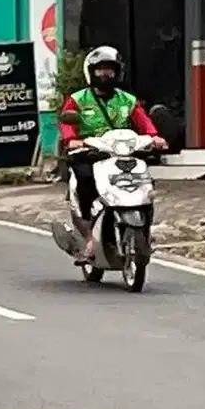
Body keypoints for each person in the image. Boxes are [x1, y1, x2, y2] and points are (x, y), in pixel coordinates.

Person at [58, 45, 166, 260]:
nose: (105, 74)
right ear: (91, 72)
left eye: (110, 70)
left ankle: (145, 233)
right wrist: (73, 141)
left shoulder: (128, 100)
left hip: (124, 152)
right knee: (85, 181)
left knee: (145, 184)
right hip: (90, 153)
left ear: (118, 73)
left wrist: (155, 138)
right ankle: (89, 235)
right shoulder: (78, 99)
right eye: (100, 69)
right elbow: (67, 124)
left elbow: (145, 124)